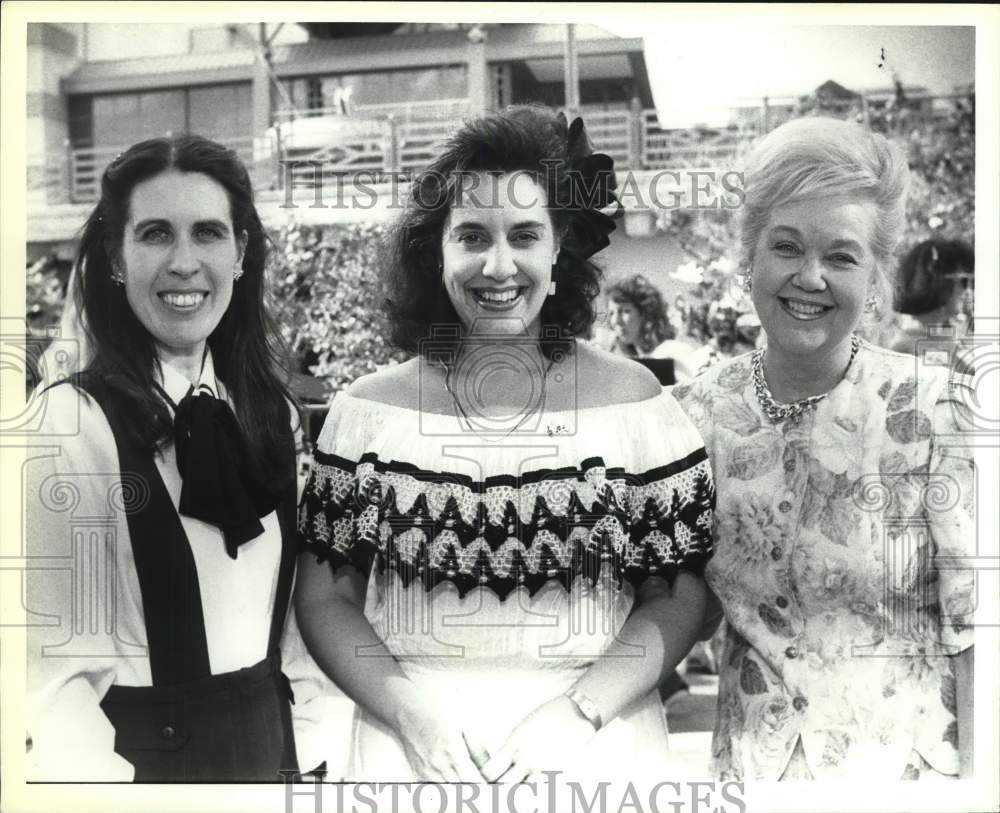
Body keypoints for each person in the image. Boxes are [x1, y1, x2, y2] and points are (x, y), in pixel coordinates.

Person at [295, 105, 715, 784]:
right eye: (471, 235)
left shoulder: (639, 407)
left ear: (558, 248)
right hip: (410, 756)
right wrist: (411, 714)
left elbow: (677, 597)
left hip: (596, 751)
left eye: (524, 234)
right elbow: (323, 599)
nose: (498, 265)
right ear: (437, 250)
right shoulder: (362, 414)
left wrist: (580, 712)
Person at [673, 117, 976, 782]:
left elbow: (978, 626)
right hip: (752, 776)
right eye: (786, 247)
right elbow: (677, 598)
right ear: (750, 255)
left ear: (873, 278)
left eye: (841, 256)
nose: (810, 278)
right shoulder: (695, 416)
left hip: (909, 777)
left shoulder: (935, 410)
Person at [25, 135, 305, 782]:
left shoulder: (273, 416)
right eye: (155, 233)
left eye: (208, 233)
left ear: (240, 254)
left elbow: (294, 637)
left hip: (275, 769)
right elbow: (51, 684)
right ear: (116, 259)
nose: (184, 262)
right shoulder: (68, 425)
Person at [889, 237, 974, 362]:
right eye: (964, 281)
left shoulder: (951, 338)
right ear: (939, 282)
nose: (968, 291)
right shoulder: (905, 348)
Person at [604, 275, 697, 384]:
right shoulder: (629, 363)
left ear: (645, 314)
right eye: (611, 313)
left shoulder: (673, 350)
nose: (615, 321)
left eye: (625, 311)